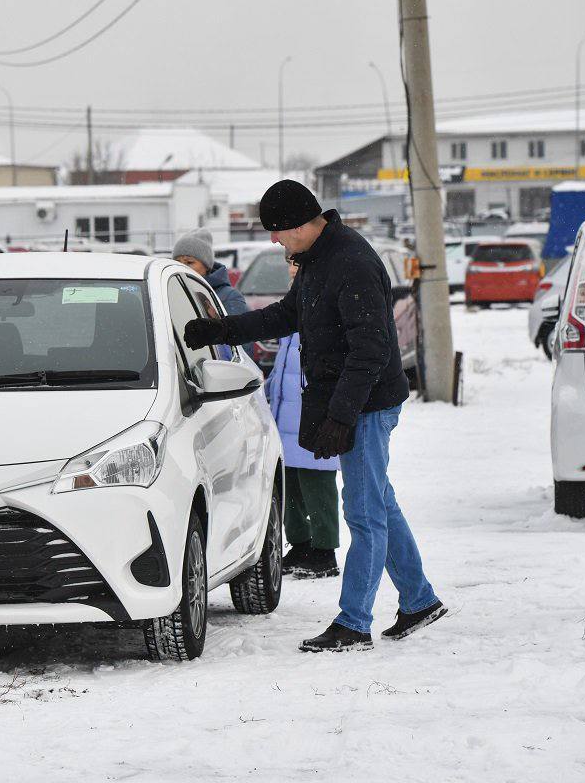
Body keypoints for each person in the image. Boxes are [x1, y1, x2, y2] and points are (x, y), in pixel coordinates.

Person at [183, 179, 447, 653]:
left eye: (277, 231)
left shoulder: (353, 262)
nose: (273, 241)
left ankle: (353, 622)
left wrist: (341, 418)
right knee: (379, 503)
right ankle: (419, 600)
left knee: (363, 513)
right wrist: (222, 327)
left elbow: (371, 350)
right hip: (351, 399)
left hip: (366, 401)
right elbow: (287, 315)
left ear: (302, 223)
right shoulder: (318, 260)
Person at [268, 257, 340, 579]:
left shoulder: (326, 302)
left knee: (318, 483)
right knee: (292, 483)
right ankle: (299, 544)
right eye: (290, 263)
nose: (294, 268)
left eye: (300, 263)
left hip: (314, 411)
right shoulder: (292, 303)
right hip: (286, 412)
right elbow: (284, 362)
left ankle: (324, 551)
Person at [172, 228, 252, 359]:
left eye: (189, 262)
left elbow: (241, 347)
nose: (182, 266)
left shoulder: (229, 297)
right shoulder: (172, 291)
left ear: (207, 266)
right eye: (177, 261)